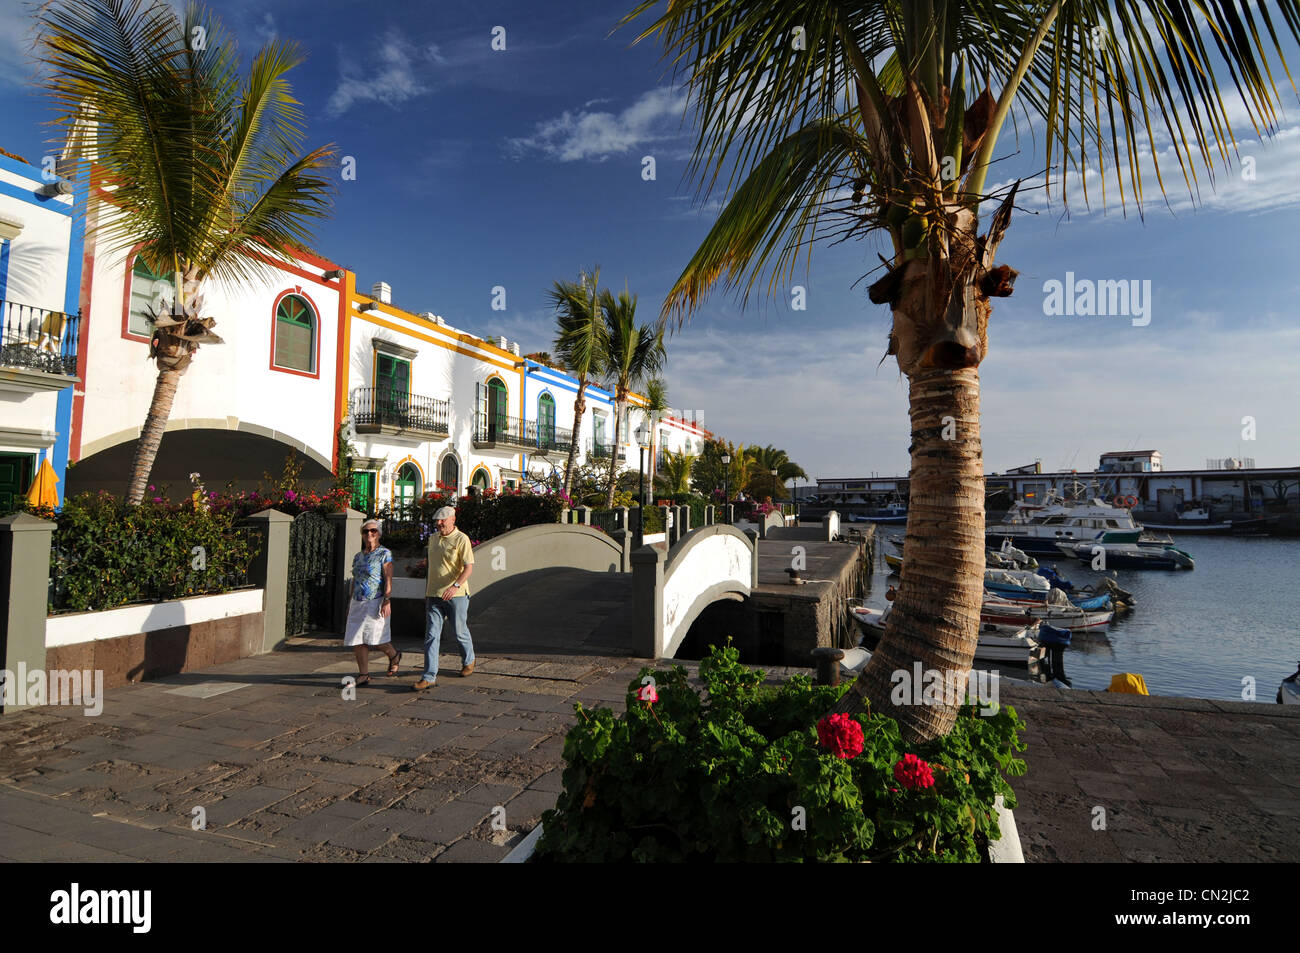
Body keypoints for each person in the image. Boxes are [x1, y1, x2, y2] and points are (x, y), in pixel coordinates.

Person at [413, 506, 475, 691]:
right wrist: (427, 590)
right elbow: (432, 566)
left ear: (452, 519)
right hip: (434, 595)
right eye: (437, 520)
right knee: (431, 635)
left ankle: (469, 660)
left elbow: (468, 567)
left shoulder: (461, 539)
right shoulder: (433, 539)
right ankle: (429, 676)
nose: (439, 523)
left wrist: (455, 586)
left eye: (443, 520)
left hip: (457, 595)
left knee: (459, 631)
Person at [343, 518, 399, 686]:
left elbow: (388, 579)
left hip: (375, 601)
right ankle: (364, 674)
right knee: (358, 639)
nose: (369, 534)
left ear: (379, 534)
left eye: (373, 530)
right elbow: (355, 580)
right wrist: (350, 602)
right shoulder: (358, 556)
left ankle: (394, 655)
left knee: (377, 639)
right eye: (366, 531)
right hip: (357, 601)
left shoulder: (384, 553)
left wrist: (387, 600)